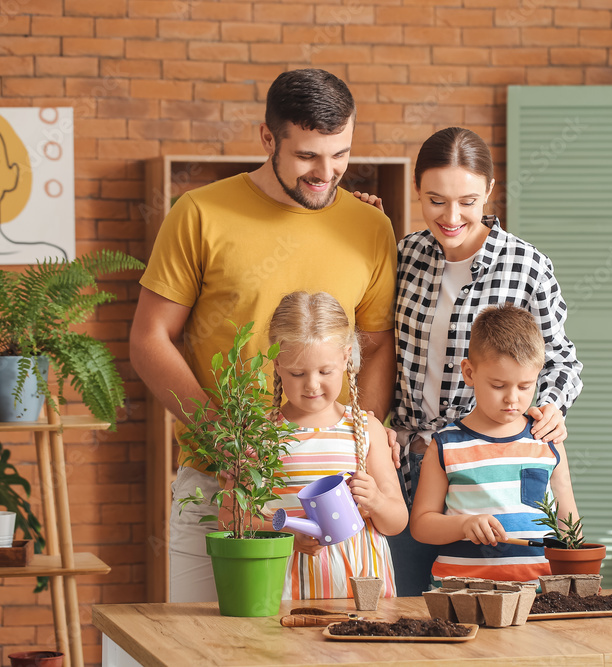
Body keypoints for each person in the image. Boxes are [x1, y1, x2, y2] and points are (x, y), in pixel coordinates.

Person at [130, 69, 397, 603]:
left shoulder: (370, 226)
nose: (327, 173)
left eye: (340, 154)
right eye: (307, 157)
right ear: (268, 138)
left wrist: (366, 433)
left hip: (333, 491)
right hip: (218, 487)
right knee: (201, 654)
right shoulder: (200, 214)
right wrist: (225, 440)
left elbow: (376, 343)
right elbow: (149, 339)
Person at [363, 126, 583, 593]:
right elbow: (375, 345)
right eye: (435, 200)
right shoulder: (403, 257)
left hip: (489, 472)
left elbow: (561, 361)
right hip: (408, 465)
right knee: (406, 613)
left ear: (489, 191)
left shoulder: (527, 266)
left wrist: (550, 410)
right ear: (418, 191)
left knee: (493, 612)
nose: (452, 215)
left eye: (467, 200)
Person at [409, 304, 580, 582]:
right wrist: (464, 525)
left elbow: (568, 522)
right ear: (469, 373)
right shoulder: (445, 445)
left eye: (525, 386)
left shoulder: (547, 441)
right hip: (461, 594)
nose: (512, 398)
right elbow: (421, 526)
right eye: (498, 386)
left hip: (539, 593)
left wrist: (579, 576)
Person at [266, 291, 407, 600]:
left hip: (363, 588)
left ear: (346, 358)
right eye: (297, 373)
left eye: (325, 371)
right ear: (277, 362)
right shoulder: (261, 433)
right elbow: (230, 517)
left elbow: (397, 520)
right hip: (288, 589)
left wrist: (377, 503)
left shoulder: (366, 429)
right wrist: (288, 536)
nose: (312, 384)